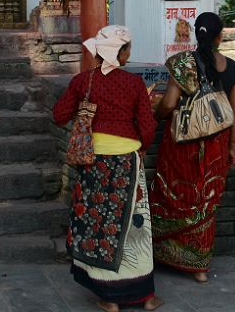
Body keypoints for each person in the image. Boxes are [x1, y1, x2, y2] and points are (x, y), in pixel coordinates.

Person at [52, 25, 162, 312]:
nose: (130, 52)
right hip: (127, 160)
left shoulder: (81, 82)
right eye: (128, 48)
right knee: (134, 227)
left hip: (93, 162)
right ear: (120, 52)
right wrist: (142, 147)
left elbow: (59, 114)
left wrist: (85, 111)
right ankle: (146, 296)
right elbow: (147, 127)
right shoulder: (134, 84)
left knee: (99, 225)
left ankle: (110, 298)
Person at [150, 11, 235, 281]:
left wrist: (155, 117)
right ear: (220, 36)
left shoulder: (182, 63)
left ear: (195, 33)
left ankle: (165, 254)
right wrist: (232, 147)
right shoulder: (233, 69)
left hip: (183, 145)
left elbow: (168, 103)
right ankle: (199, 267)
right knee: (206, 202)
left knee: (176, 196)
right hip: (217, 145)